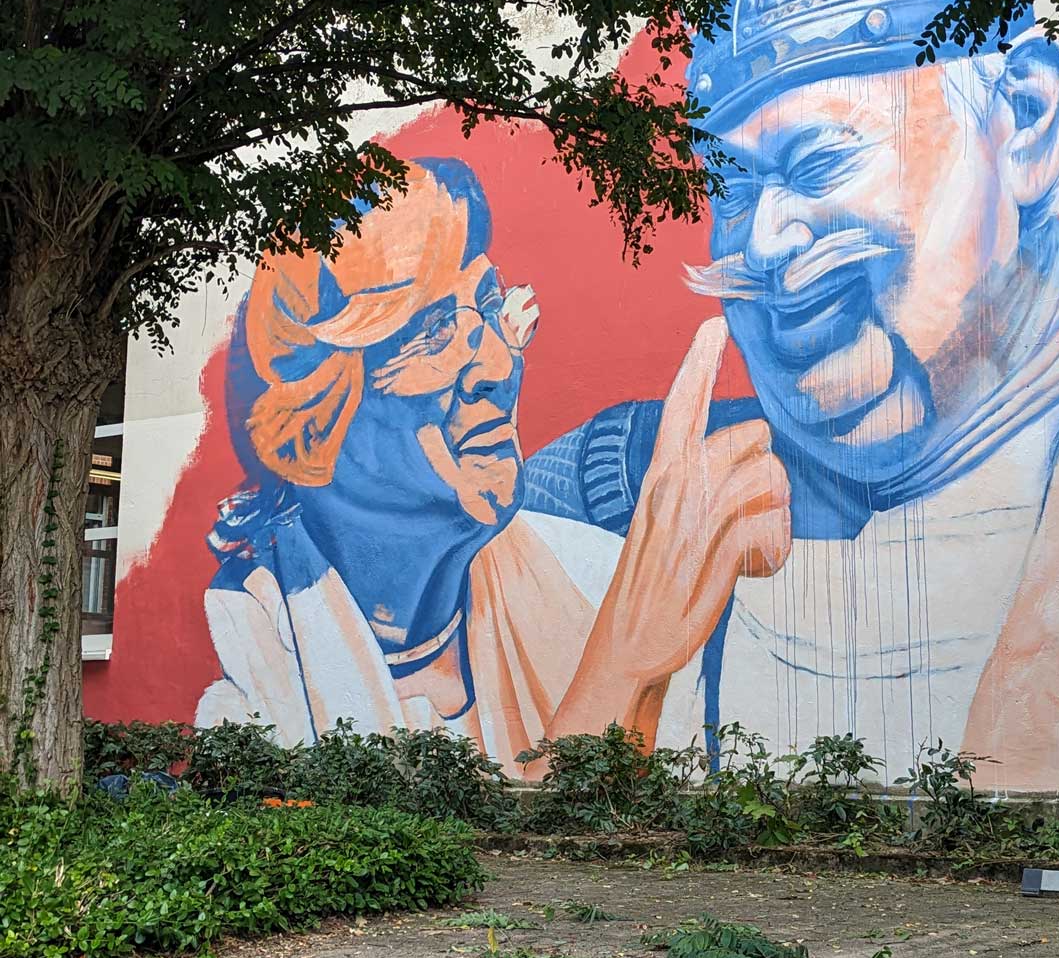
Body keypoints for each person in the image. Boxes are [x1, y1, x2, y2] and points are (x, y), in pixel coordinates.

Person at [522, 0, 1059, 787]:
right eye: (733, 190)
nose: (766, 239)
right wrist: (629, 654)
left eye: (817, 161)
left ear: (1024, 120)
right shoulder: (602, 493)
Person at [198, 158, 790, 766]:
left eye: (487, 307)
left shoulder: (592, 579)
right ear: (316, 418)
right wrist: (626, 661)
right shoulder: (251, 671)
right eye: (434, 331)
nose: (500, 367)